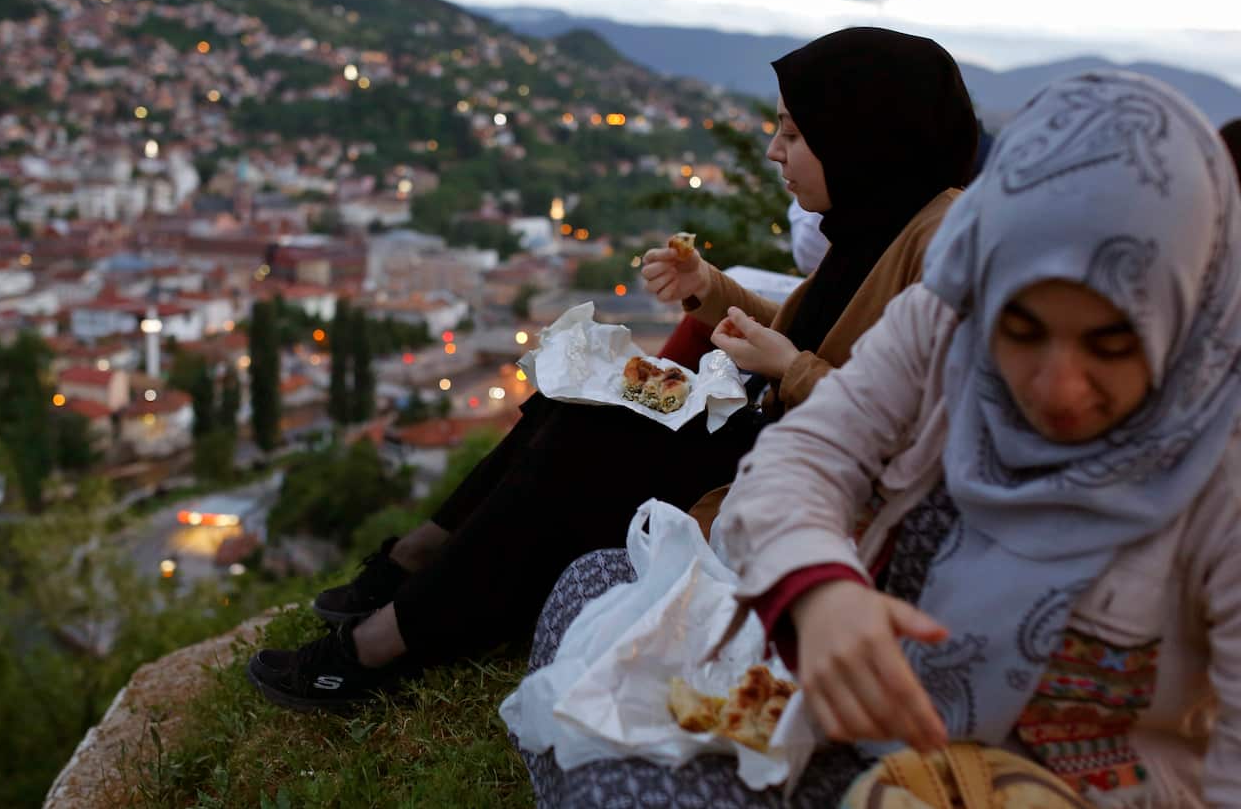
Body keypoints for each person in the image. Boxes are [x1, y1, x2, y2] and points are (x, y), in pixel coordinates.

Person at [518, 69, 1241, 806]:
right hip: (872, 714)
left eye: (1112, 347)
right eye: (1019, 332)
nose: (1057, 388)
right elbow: (807, 452)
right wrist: (822, 591)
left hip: (1060, 788)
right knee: (594, 587)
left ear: (1192, 321)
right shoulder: (946, 321)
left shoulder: (1224, 475)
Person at [245, 26, 979, 713]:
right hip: (771, 434)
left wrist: (788, 368)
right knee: (579, 396)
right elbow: (805, 332)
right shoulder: (873, 220)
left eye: (793, 132)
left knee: (587, 443)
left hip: (804, 484)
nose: (774, 151)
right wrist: (709, 290)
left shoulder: (940, 241)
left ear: (862, 137)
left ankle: (382, 645)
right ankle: (421, 561)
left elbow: (918, 426)